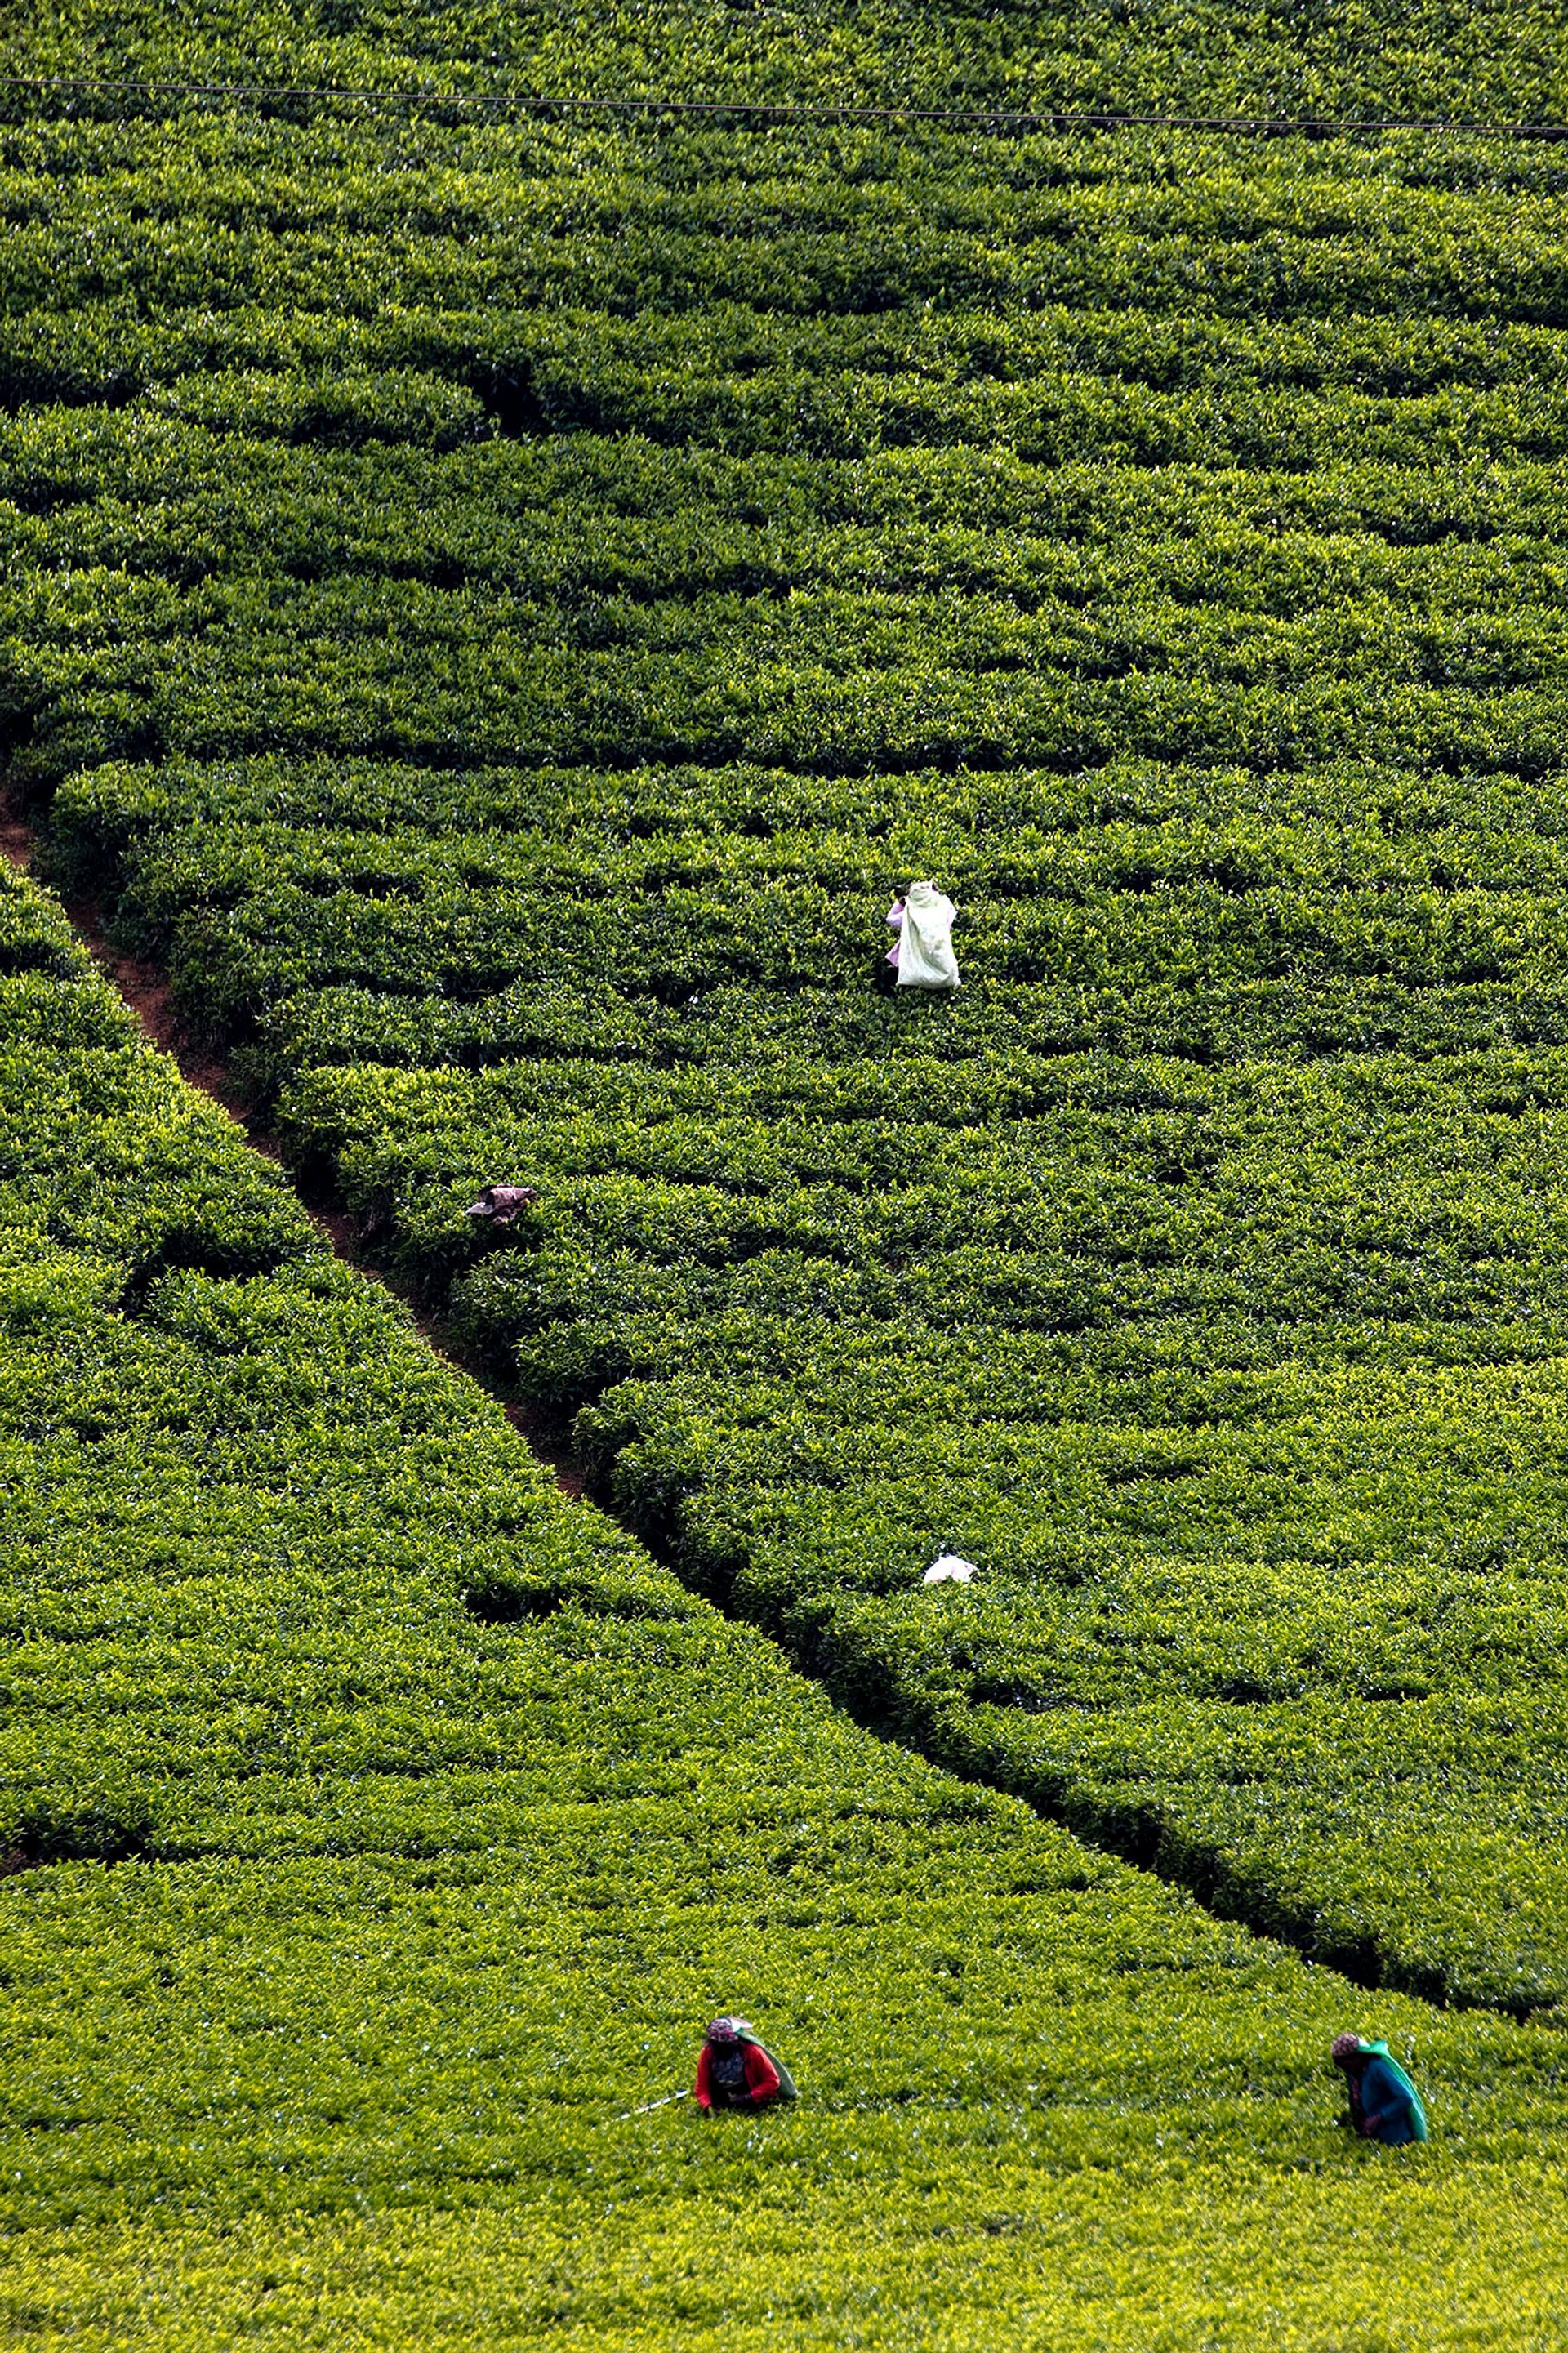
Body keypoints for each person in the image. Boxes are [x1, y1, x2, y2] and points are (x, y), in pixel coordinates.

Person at [1330, 2034, 1429, 2146]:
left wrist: (1379, 2117)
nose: (1344, 2070)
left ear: (1356, 2057)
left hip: (1396, 2139)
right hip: (1374, 2139)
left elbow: (1405, 2098)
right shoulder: (1354, 2075)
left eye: (1346, 2065)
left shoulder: (1377, 2068)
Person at [693, 2016, 795, 2112]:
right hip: (722, 2094)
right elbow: (702, 2086)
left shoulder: (753, 2052)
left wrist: (749, 2097)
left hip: (749, 2091)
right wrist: (707, 2105)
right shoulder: (708, 2052)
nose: (722, 2050)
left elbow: (772, 2081)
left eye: (726, 2046)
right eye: (719, 2047)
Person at [885, 880, 960, 990]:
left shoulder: (910, 912)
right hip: (939, 952)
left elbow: (891, 920)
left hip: (911, 960)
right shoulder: (943, 908)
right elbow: (951, 913)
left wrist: (901, 904)